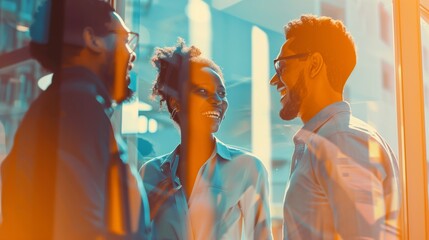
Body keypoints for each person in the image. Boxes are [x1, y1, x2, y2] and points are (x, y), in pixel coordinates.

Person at [0, 0, 150, 239]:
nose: (131, 53)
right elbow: (81, 229)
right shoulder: (78, 109)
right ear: (92, 39)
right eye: (123, 39)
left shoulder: (58, 106)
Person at [269, 15, 401, 239]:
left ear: (314, 65)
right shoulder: (331, 138)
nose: (274, 79)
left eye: (282, 66)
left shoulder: (342, 140)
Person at [139, 39, 273, 239]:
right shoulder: (150, 173)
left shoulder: (248, 168)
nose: (217, 101)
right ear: (177, 102)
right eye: (202, 91)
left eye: (221, 93)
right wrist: (148, 211)